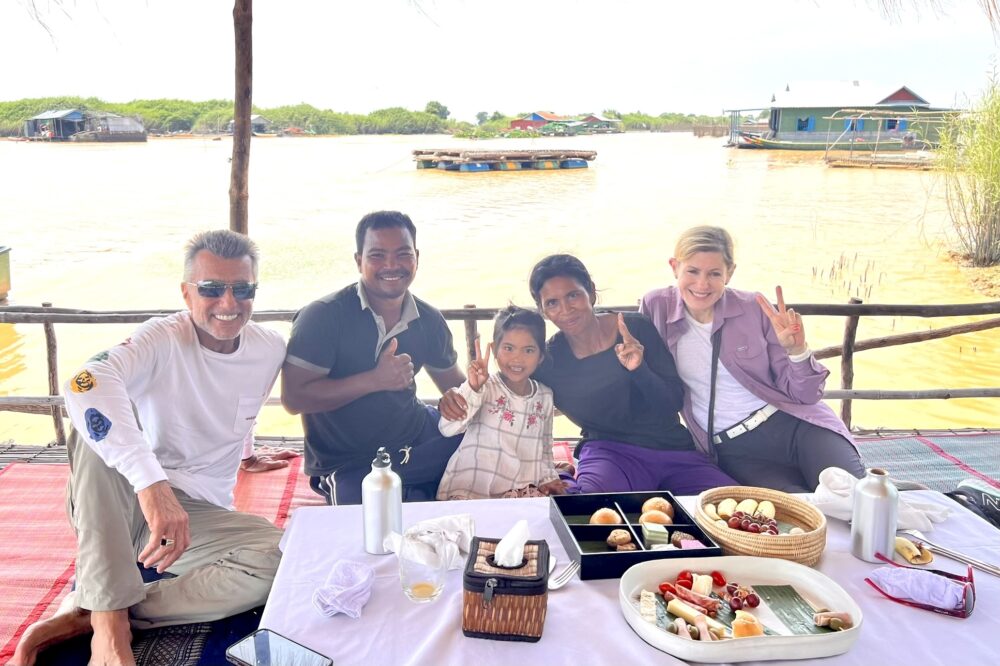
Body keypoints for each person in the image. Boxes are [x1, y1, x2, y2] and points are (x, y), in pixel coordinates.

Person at [12, 230, 293, 666]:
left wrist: (247, 454)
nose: (229, 303)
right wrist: (152, 486)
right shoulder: (160, 339)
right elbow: (84, 384)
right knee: (92, 432)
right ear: (186, 293)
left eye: (243, 289)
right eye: (212, 289)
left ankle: (103, 608)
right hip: (116, 503)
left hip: (197, 514)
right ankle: (109, 630)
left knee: (282, 557)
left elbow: (243, 404)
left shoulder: (268, 348)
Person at [443, 254, 735, 495]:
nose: (566, 309)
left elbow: (671, 402)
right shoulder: (549, 361)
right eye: (552, 303)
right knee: (589, 516)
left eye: (573, 295)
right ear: (543, 310)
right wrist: (458, 396)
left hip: (672, 450)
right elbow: (507, 394)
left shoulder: (635, 329)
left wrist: (639, 369)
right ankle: (570, 483)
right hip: (609, 453)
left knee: (731, 509)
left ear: (591, 292)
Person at [639, 225, 865, 493]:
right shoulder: (656, 305)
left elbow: (806, 395)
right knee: (800, 517)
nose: (702, 284)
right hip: (736, 451)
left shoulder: (753, 309)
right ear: (674, 266)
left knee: (856, 499)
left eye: (714, 274)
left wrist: (798, 351)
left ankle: (892, 495)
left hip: (796, 426)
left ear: (730, 273)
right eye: (692, 271)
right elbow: (648, 380)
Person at [282, 211, 466, 505]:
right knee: (367, 535)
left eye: (403, 254)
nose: (391, 265)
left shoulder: (428, 319)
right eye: (378, 255)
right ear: (359, 260)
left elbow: (458, 388)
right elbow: (294, 399)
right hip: (350, 459)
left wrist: (470, 391)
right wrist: (374, 380)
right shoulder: (324, 316)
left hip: (416, 438)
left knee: (487, 454)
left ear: (416, 256)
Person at [436, 306, 562, 500]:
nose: (517, 358)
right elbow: (448, 428)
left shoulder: (545, 395)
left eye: (528, 350)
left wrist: (548, 477)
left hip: (519, 490)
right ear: (494, 350)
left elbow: (545, 445)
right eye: (508, 348)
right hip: (473, 489)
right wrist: (472, 388)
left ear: (541, 356)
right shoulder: (484, 388)